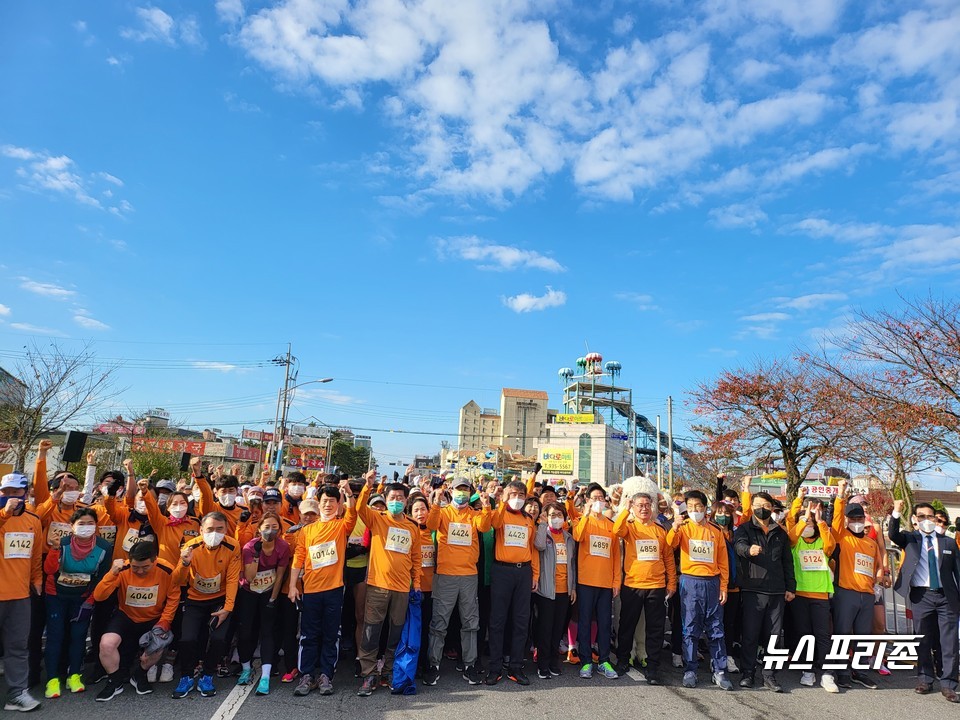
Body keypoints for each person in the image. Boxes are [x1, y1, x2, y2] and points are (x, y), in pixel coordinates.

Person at [354, 476, 422, 696]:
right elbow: (359, 508)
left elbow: (416, 557)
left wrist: (417, 583)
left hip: (402, 588)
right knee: (371, 631)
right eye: (392, 497)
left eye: (400, 498)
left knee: (396, 632)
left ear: (406, 501)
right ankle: (369, 673)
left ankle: (390, 671)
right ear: (385, 498)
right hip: (378, 586)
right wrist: (368, 486)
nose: (396, 501)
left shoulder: (412, 526)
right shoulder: (377, 518)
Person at [288, 485, 357, 697]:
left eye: (333, 501)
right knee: (309, 635)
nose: (328, 505)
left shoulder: (341, 526)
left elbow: (352, 514)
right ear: (319, 503)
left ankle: (327, 674)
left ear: (338, 504)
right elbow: (299, 558)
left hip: (334, 590)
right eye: (325, 501)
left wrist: (348, 494)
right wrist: (292, 585)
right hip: (311, 591)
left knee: (330, 635)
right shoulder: (307, 530)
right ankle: (306, 675)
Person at [423, 477, 492, 686]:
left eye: (465, 489)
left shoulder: (474, 515)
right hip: (445, 575)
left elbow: (485, 526)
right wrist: (436, 502)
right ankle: (433, 665)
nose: (461, 493)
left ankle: (469, 664)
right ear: (450, 491)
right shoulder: (443, 513)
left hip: (469, 576)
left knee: (471, 622)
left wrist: (487, 506)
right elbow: (431, 524)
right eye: (458, 489)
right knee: (439, 622)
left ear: (470, 492)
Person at [890, 499, 960, 703]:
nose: (926, 520)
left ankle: (948, 683)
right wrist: (896, 511)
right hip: (922, 596)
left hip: (947, 596)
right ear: (915, 519)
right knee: (922, 639)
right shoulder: (910, 539)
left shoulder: (947, 542)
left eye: (930, 516)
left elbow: (958, 571)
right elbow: (893, 535)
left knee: (949, 642)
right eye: (921, 517)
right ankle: (925, 679)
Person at [93, 541, 179, 701]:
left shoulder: (166, 570)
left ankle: (140, 674)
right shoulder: (122, 569)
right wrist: (112, 573)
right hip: (126, 616)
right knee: (106, 644)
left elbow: (173, 597)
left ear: (155, 560)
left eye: (145, 567)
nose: (140, 571)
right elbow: (99, 596)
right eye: (135, 567)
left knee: (158, 647)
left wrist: (165, 620)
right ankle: (115, 681)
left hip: (153, 618)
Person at [42, 508, 113, 699]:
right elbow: (48, 570)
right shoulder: (62, 543)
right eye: (81, 524)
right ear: (72, 526)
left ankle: (74, 675)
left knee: (79, 636)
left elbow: (102, 578)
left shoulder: (104, 547)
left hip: (83, 598)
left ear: (96, 526)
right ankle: (52, 679)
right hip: (56, 595)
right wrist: (54, 549)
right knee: (56, 635)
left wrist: (89, 602)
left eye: (90, 523)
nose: (86, 527)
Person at [171, 511, 242, 699]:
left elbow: (233, 579)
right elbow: (177, 580)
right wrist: (184, 563)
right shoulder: (190, 546)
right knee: (187, 639)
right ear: (201, 530)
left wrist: (227, 608)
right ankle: (186, 676)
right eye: (210, 529)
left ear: (226, 529)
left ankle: (207, 675)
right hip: (195, 600)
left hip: (220, 600)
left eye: (220, 529)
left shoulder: (233, 546)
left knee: (219, 639)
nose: (214, 533)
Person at [667, 490, 733, 690]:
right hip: (690, 582)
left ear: (705, 508)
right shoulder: (684, 527)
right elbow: (670, 544)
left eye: (699, 506)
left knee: (716, 629)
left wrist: (723, 586)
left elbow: (723, 561)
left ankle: (719, 670)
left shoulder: (715, 530)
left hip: (712, 583)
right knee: (690, 628)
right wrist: (675, 527)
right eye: (692, 506)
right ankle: (690, 669)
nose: (695, 510)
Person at [733, 489, 795, 692]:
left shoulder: (780, 533)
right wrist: (748, 550)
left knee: (774, 636)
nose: (762, 509)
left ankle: (769, 675)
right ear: (751, 507)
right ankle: (748, 673)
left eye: (766, 506)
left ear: (772, 508)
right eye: (758, 505)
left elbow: (788, 562)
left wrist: (790, 587)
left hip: (777, 591)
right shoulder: (744, 529)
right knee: (750, 634)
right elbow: (738, 546)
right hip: (753, 590)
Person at [612, 492, 676, 685]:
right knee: (626, 626)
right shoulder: (629, 527)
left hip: (656, 587)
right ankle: (623, 660)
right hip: (632, 586)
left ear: (652, 507)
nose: (644, 508)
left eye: (647, 505)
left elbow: (668, 559)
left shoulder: (660, 529)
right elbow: (616, 530)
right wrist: (625, 507)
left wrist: (671, 583)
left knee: (655, 629)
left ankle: (653, 668)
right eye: (639, 505)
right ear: (633, 507)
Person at [830, 479, 887, 690]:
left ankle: (860, 671)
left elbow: (874, 568)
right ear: (846, 520)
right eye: (852, 518)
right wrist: (840, 494)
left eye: (859, 518)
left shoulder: (870, 543)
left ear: (865, 520)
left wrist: (881, 577)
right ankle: (842, 671)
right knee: (843, 633)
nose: (857, 521)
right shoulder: (842, 537)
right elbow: (835, 521)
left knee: (863, 635)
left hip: (867, 594)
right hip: (846, 593)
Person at [486, 481, 539, 686]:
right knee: (498, 621)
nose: (517, 498)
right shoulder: (499, 514)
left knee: (521, 620)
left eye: (521, 494)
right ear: (506, 495)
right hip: (502, 571)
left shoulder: (528, 519)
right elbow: (495, 524)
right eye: (513, 494)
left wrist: (535, 574)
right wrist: (500, 502)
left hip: (523, 572)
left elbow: (532, 548)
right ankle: (495, 667)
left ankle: (516, 666)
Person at [0, 471, 43, 712]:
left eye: (15, 492)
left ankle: (17, 694)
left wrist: (36, 578)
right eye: (5, 492)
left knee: (18, 646)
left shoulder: (33, 520)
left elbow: (35, 555)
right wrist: (5, 513)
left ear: (25, 494)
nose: (10, 497)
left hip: (19, 595)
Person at [236, 512, 291, 695]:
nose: (270, 531)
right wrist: (257, 554)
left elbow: (281, 574)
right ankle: (245, 668)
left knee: (267, 631)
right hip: (249, 592)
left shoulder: (283, 547)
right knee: (246, 631)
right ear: (259, 529)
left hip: (268, 591)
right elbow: (250, 577)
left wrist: (273, 599)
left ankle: (266, 675)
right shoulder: (250, 547)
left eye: (275, 527)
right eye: (266, 527)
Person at [787, 494, 837, 692]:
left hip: (820, 595)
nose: (808, 524)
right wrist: (802, 516)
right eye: (805, 521)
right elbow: (790, 536)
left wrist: (820, 521)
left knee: (823, 635)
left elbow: (831, 546)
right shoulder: (796, 542)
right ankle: (807, 670)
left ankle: (826, 674)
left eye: (811, 522)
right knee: (804, 635)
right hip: (800, 595)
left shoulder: (822, 541)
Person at [572, 483, 621, 680]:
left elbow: (616, 556)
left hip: (606, 583)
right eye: (594, 498)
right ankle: (585, 661)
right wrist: (585, 514)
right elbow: (578, 536)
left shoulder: (611, 525)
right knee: (584, 622)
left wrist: (616, 581)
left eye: (601, 498)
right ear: (588, 501)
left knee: (603, 623)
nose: (598, 501)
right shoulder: (581, 521)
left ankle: (604, 660)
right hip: (585, 581)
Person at [533, 501, 577, 680]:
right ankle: (542, 664)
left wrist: (573, 587)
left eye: (560, 515)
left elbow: (572, 564)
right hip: (546, 590)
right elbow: (539, 546)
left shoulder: (568, 538)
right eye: (552, 515)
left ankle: (553, 662)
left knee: (558, 629)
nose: (556, 518)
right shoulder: (543, 534)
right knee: (545, 628)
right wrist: (543, 524)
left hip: (564, 591)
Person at [407, 494, 436, 676]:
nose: (420, 513)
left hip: (431, 588)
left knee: (427, 628)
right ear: (409, 512)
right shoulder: (407, 531)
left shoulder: (434, 532)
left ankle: (425, 663)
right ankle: (410, 663)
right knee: (410, 628)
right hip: (410, 588)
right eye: (416, 510)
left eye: (423, 509)